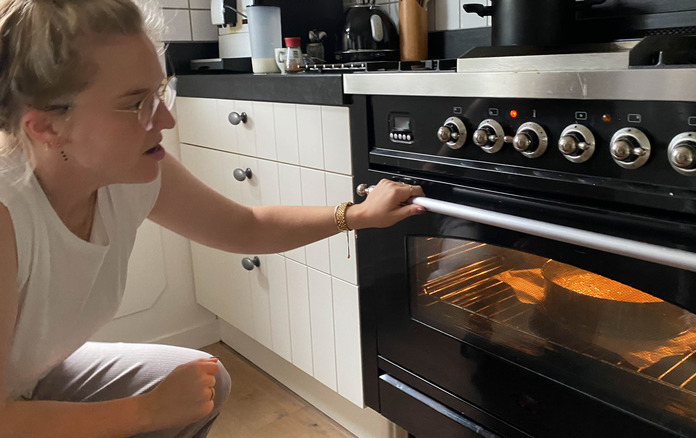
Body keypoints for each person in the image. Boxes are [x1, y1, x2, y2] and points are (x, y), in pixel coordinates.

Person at [0, 0, 425, 436]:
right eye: (135, 104)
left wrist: (356, 215)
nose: (165, 119)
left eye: (159, 91)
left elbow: (245, 226)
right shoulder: (7, 210)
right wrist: (145, 411)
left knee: (203, 381)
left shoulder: (132, 172)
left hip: (31, 379)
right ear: (47, 128)